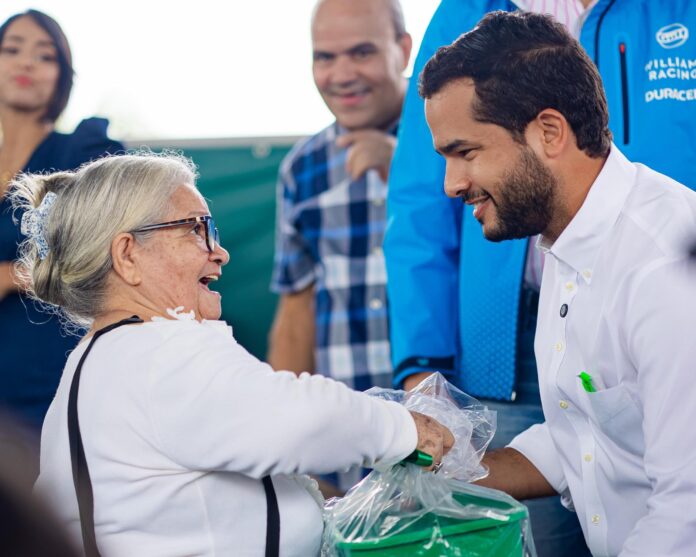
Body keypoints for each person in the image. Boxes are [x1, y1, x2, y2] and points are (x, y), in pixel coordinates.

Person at [11, 152, 453, 556]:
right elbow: (299, 419)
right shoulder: (162, 349)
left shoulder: (100, 358)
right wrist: (404, 428)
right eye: (194, 228)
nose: (219, 252)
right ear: (128, 255)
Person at [385, 0, 696, 554]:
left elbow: (686, 510)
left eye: (466, 152)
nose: (451, 185)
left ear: (549, 132)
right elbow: (588, 432)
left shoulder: (661, 273)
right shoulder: (565, 238)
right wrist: (431, 473)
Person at [0, 9, 123, 431]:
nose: (26, 62)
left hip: (49, 384)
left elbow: (104, 256)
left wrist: (12, 275)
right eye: (11, 49)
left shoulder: (85, 154)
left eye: (45, 55)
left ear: (63, 76)